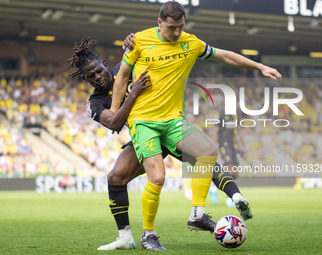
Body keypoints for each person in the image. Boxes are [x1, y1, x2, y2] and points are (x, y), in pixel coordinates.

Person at [110, 1, 281, 250]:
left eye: (180, 27)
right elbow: (123, 76)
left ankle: (197, 214)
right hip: (144, 121)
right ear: (160, 23)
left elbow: (224, 56)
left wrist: (260, 66)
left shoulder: (191, 43)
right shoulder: (139, 40)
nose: (176, 32)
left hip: (173, 120)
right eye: (171, 28)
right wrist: (115, 113)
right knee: (157, 177)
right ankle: (149, 235)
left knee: (208, 152)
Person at [68, 36, 248, 251]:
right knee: (115, 177)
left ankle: (235, 197)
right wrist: (133, 93)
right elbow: (115, 123)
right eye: (91, 77)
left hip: (166, 124)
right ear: (86, 80)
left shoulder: (125, 67)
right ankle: (125, 237)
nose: (97, 77)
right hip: (144, 136)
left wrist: (133, 40)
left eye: (98, 70)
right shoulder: (94, 102)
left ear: (104, 64)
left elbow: (149, 47)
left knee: (204, 158)